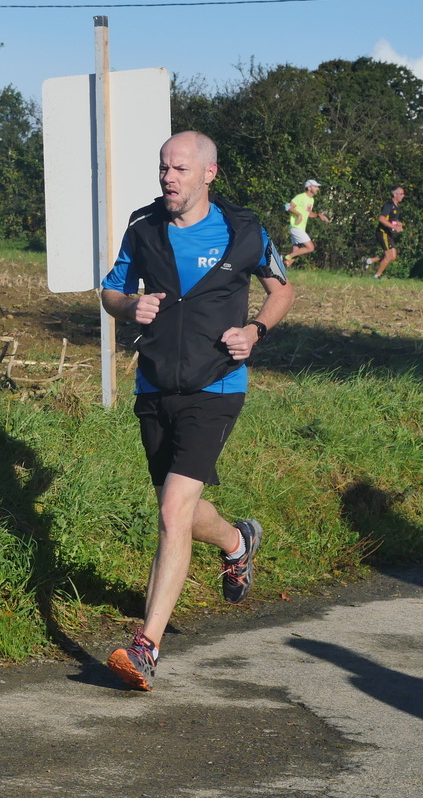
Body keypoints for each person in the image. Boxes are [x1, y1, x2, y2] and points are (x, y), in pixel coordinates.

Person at [98, 131, 295, 692]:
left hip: (217, 385)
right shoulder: (143, 226)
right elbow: (110, 292)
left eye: (180, 169)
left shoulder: (245, 230)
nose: (169, 178)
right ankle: (237, 541)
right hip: (155, 383)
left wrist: (255, 331)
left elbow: (282, 291)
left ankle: (146, 647)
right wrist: (131, 305)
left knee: (171, 511)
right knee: (178, 508)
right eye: (164, 167)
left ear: (209, 173)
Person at [284, 179, 331, 268]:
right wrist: (299, 215)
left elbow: (308, 213)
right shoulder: (300, 197)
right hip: (296, 227)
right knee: (310, 247)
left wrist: (318, 215)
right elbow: (287, 207)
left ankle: (284, 266)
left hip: (300, 228)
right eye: (315, 186)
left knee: (297, 251)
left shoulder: (311, 200)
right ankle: (287, 257)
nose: (318, 189)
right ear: (309, 188)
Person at [363, 186, 405, 280]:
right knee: (388, 256)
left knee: (393, 257)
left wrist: (397, 223)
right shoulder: (389, 205)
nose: (403, 196)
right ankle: (377, 276)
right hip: (383, 232)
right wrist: (394, 227)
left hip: (389, 233)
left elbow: (390, 220)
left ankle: (369, 261)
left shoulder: (396, 206)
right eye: (401, 194)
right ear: (395, 194)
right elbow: (381, 218)